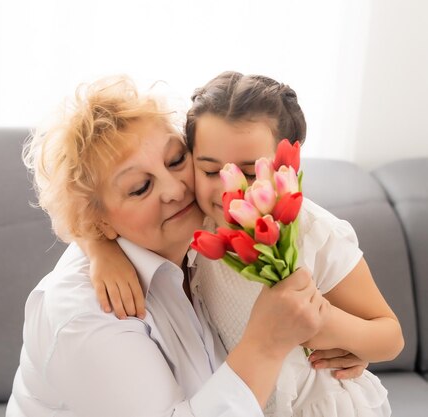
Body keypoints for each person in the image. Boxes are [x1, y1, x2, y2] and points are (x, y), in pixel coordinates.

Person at [6, 75, 329, 417]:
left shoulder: (200, 235)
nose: (175, 189)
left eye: (176, 160)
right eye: (140, 187)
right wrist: (267, 343)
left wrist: (347, 344)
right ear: (98, 221)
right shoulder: (84, 315)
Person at [85, 72, 404, 416]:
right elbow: (102, 212)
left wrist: (324, 325)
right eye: (209, 171)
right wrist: (100, 250)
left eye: (250, 173)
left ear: (285, 166)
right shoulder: (196, 219)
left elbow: (390, 337)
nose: (229, 189)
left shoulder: (311, 231)